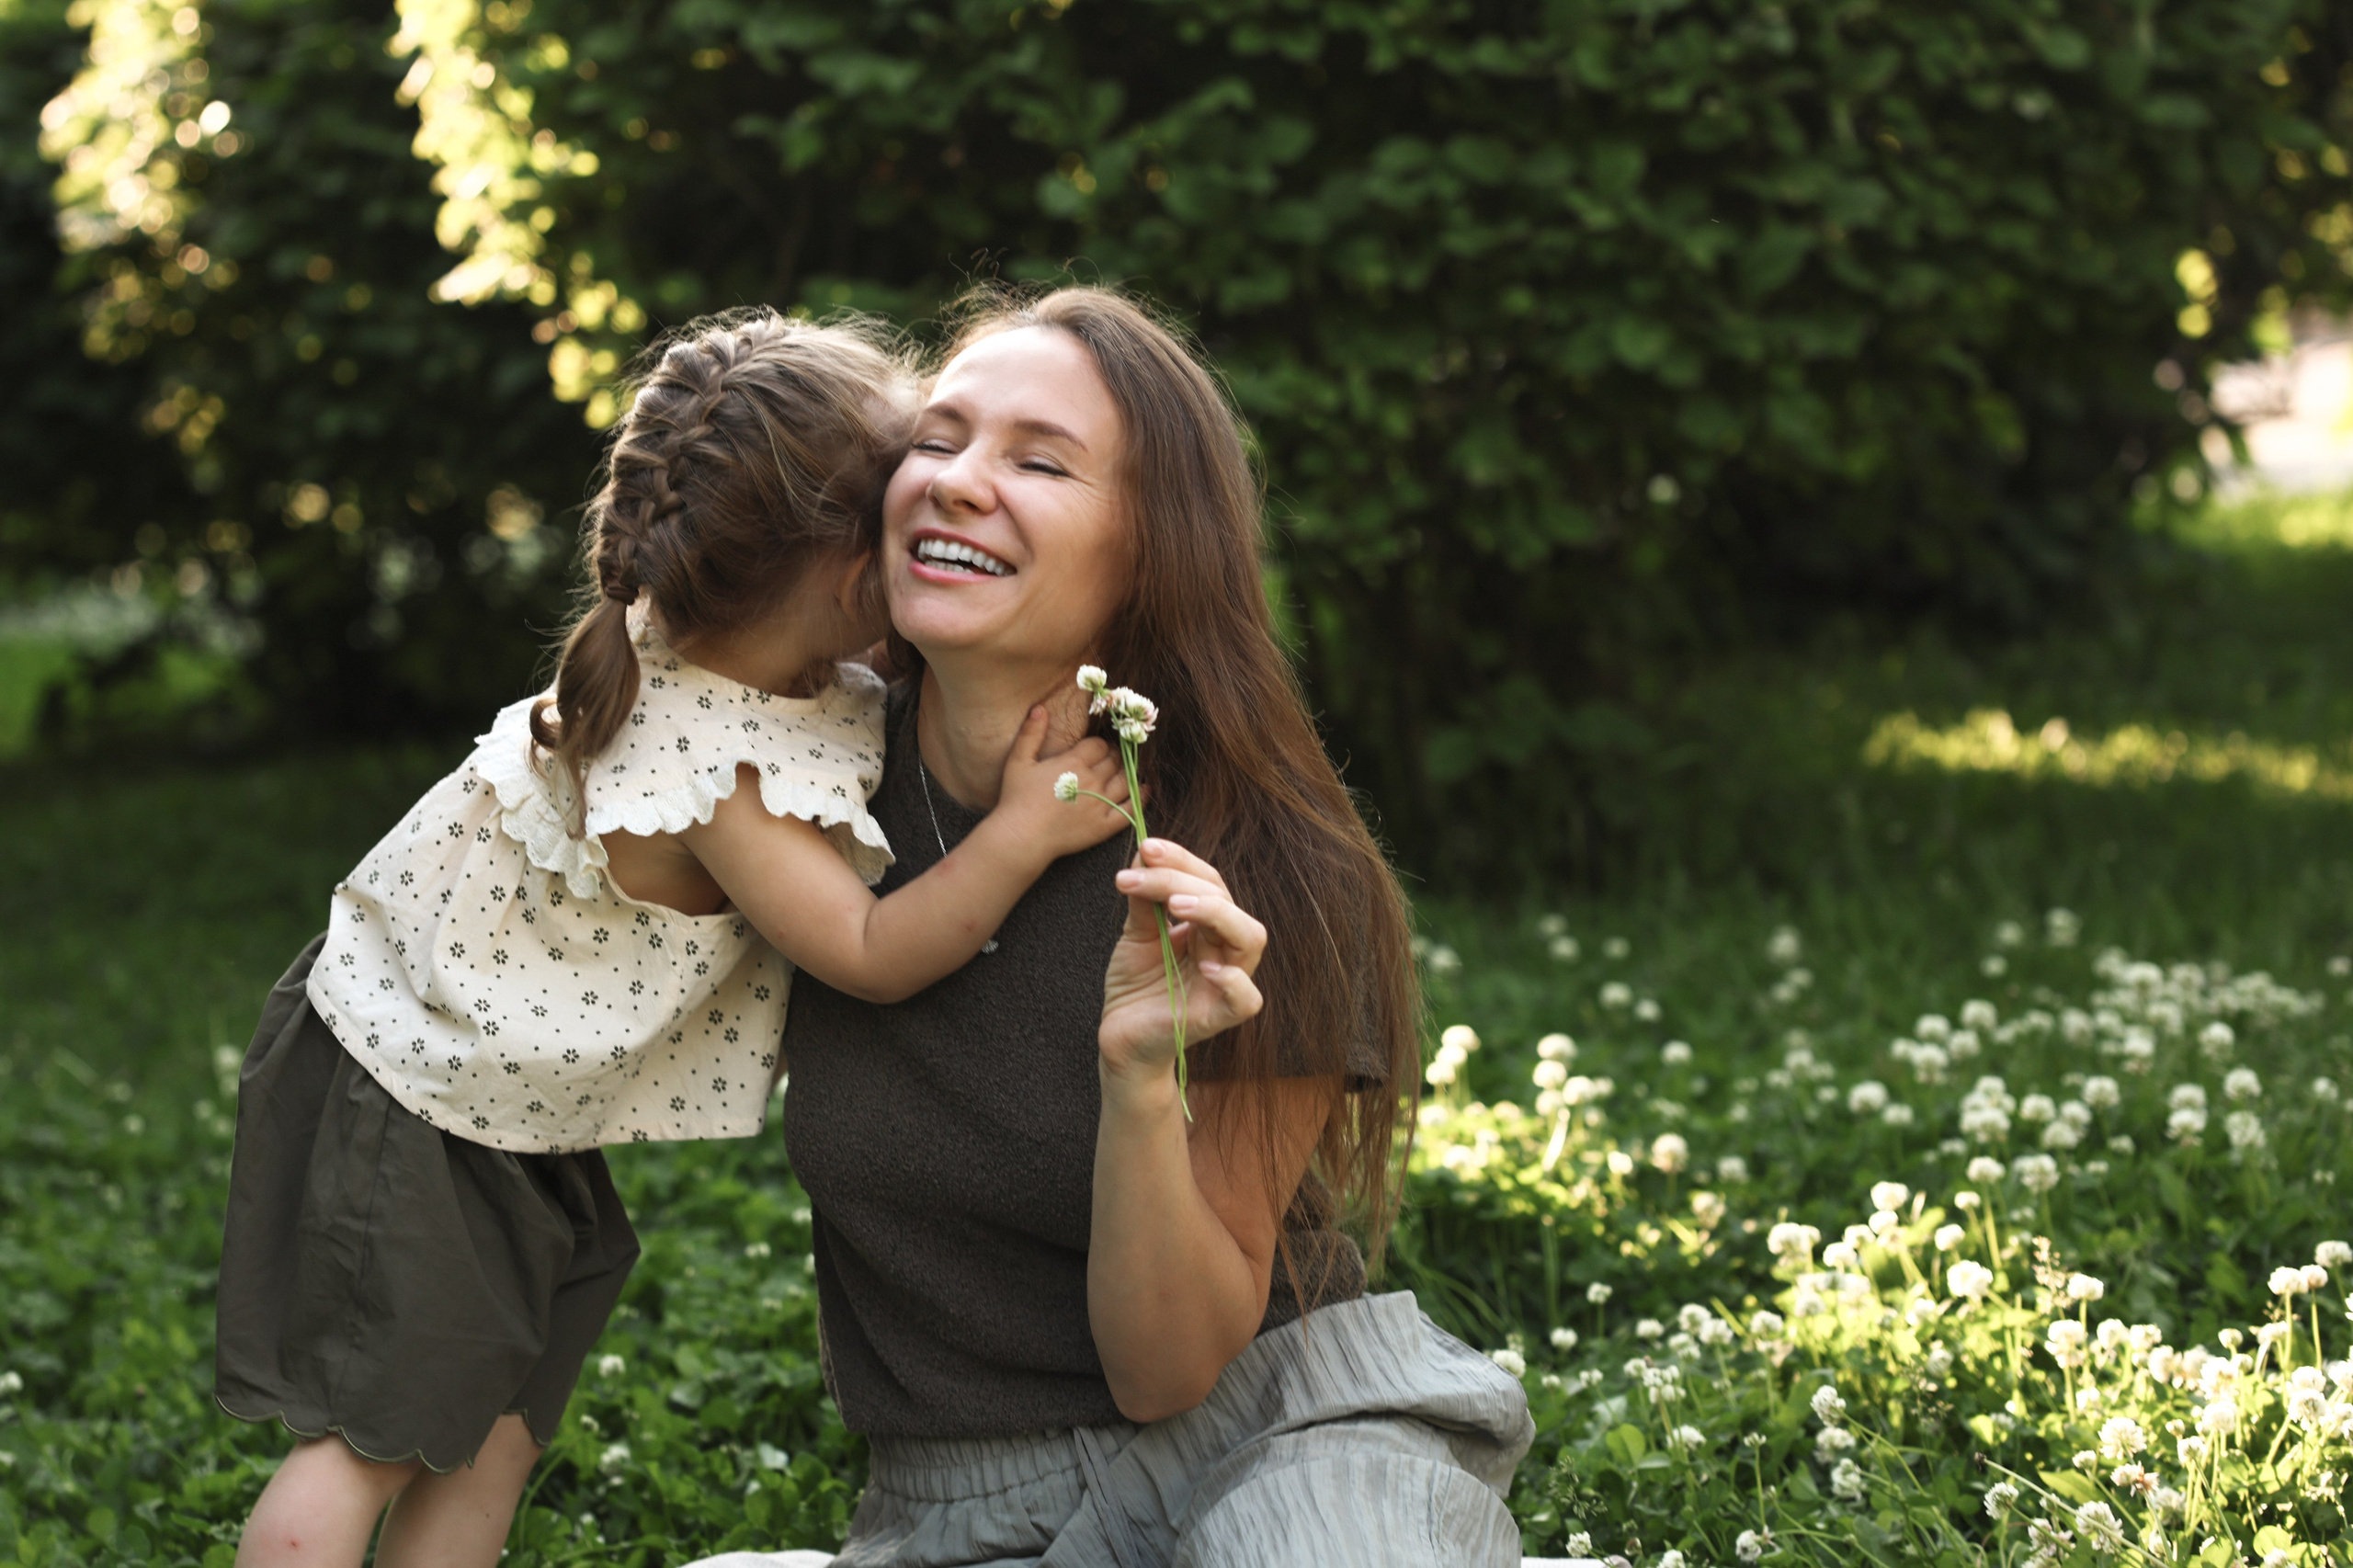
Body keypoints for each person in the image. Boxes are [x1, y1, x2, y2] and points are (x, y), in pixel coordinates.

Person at [212, 309, 1131, 1568]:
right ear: (844, 570)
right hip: (418, 1096)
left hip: (502, 1099)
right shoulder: (707, 769)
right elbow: (864, 947)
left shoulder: (754, 660)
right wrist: (1021, 832)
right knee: (371, 1434)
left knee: (491, 1432)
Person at [693, 288, 1533, 1568]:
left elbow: (1169, 1372)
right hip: (961, 1509)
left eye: (1039, 461)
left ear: (1151, 551)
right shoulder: (787, 801)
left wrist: (1143, 1077)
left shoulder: (1262, 859)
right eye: (936, 439)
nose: (960, 483)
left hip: (1280, 1437)